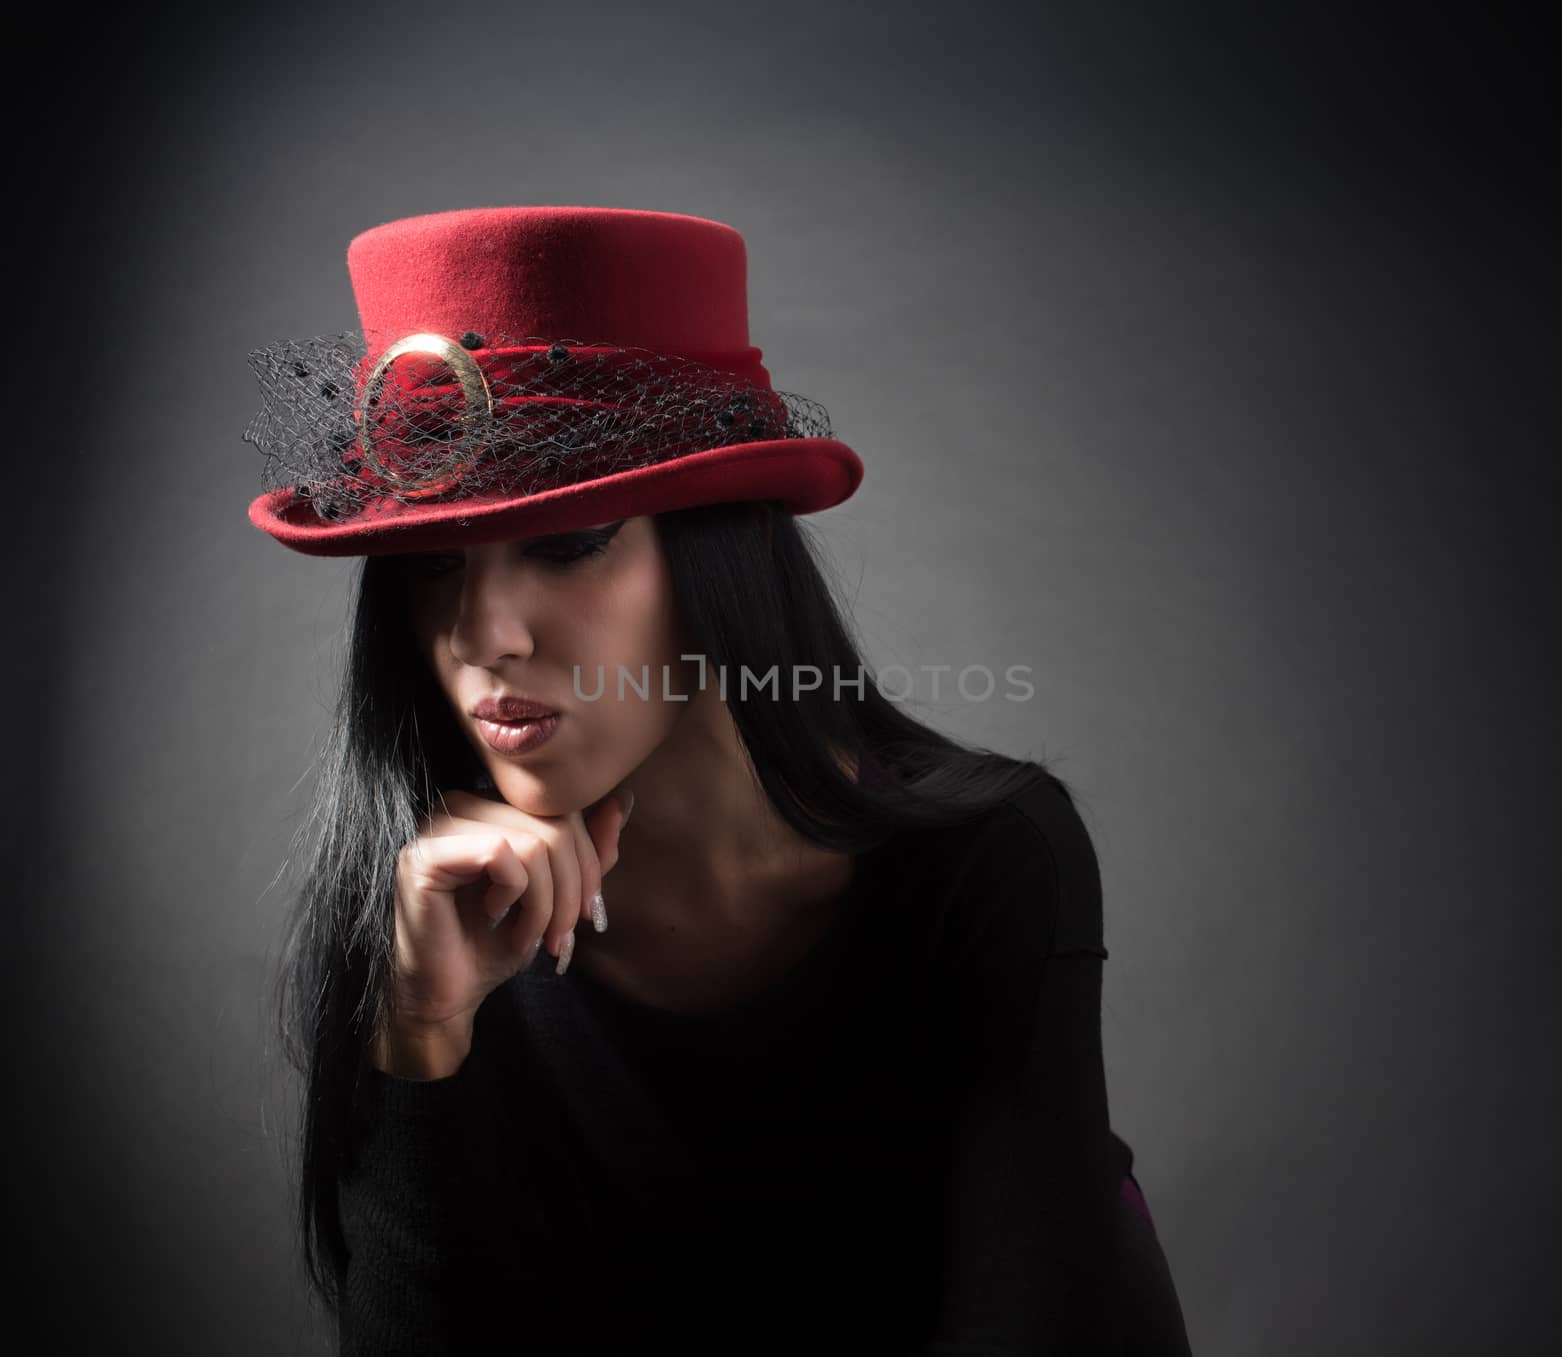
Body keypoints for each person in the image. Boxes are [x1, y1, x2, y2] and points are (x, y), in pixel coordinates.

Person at [245, 205, 1193, 1355]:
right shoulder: (420, 913)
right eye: (432, 563)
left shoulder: (982, 862)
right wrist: (424, 1032)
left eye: (569, 540)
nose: (485, 631)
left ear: (711, 552)